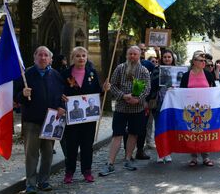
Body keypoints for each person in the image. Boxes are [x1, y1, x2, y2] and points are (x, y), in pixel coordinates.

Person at [14, 46, 66, 194]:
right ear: (35, 57)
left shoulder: (56, 75)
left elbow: (62, 95)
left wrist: (62, 107)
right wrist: (22, 94)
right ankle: (30, 183)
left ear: (50, 59)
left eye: (46, 55)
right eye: (40, 55)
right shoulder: (26, 74)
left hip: (51, 120)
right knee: (31, 153)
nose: (43, 58)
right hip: (32, 120)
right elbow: (16, 96)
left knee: (48, 152)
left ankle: (44, 180)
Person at [100, 46, 151, 176]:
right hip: (121, 108)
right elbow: (112, 85)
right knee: (117, 134)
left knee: (133, 134)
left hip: (137, 108)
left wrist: (138, 99)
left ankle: (128, 158)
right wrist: (123, 96)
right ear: (127, 55)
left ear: (139, 55)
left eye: (135, 54)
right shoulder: (120, 68)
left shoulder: (144, 71)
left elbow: (147, 89)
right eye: (130, 54)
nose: (132, 56)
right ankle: (110, 162)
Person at [60, 46, 104, 183]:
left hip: (88, 119)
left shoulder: (92, 73)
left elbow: (97, 92)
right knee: (71, 146)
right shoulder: (65, 74)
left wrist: (104, 89)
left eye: (83, 56)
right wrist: (61, 97)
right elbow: (59, 92)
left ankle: (87, 171)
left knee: (87, 146)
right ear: (73, 58)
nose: (81, 58)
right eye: (78, 56)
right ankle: (69, 172)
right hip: (72, 118)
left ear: (87, 57)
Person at [180, 50, 216, 166]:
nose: (203, 63)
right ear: (194, 61)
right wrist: (172, 91)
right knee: (192, 132)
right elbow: (181, 91)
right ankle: (193, 157)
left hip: (205, 108)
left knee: (205, 131)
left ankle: (206, 156)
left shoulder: (208, 74)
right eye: (201, 60)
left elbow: (214, 90)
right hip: (190, 109)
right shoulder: (186, 76)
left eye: (204, 61)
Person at [148, 49, 176, 163]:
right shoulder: (156, 69)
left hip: (172, 103)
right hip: (159, 102)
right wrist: (160, 78)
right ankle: (160, 153)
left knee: (169, 128)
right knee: (159, 128)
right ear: (162, 59)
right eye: (165, 57)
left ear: (172, 58)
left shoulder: (177, 70)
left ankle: (168, 152)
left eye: (169, 57)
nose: (167, 59)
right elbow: (152, 84)